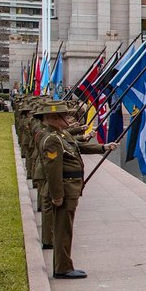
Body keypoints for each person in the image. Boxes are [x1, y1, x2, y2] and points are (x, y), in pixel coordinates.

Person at [36, 101, 117, 279]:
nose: (68, 118)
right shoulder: (52, 139)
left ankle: (64, 265)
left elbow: (78, 147)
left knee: (65, 228)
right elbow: (53, 171)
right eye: (64, 115)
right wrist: (57, 195)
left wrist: (103, 147)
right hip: (65, 189)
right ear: (53, 118)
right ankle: (62, 268)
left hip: (71, 188)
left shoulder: (62, 134)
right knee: (63, 230)